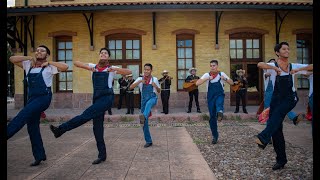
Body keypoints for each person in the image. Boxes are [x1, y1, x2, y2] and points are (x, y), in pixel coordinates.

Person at [49, 47, 131, 164]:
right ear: (99, 55)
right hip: (96, 98)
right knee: (97, 127)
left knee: (85, 115)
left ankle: (61, 129)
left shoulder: (111, 68)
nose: (103, 54)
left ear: (108, 57)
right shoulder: (94, 66)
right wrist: (88, 67)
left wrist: (114, 69)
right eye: (101, 53)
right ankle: (102, 155)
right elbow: (76, 63)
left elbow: (129, 72)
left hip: (107, 98)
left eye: (105, 53)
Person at [255, 42, 313, 170]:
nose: (287, 50)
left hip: (290, 98)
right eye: (284, 49)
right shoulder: (272, 65)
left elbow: (312, 66)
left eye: (288, 48)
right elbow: (259, 64)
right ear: (277, 52)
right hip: (276, 100)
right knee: (276, 130)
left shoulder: (293, 65)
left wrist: (298, 70)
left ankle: (264, 136)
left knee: (275, 118)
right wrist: (275, 69)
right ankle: (281, 160)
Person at [7, 45, 68, 166]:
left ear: (47, 54)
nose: (39, 52)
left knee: (22, 115)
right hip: (32, 99)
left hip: (44, 97)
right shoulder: (28, 65)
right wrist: (29, 57)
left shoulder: (50, 67)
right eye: (37, 50)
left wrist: (48, 62)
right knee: (32, 127)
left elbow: (65, 67)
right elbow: (12, 59)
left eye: (42, 50)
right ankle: (39, 156)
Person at [196, 60, 234, 144]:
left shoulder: (221, 74)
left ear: (217, 66)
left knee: (219, 103)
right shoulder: (207, 75)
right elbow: (197, 83)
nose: (212, 67)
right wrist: (207, 78)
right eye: (211, 66)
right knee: (212, 118)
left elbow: (232, 83)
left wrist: (225, 79)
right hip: (210, 98)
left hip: (220, 94)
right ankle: (215, 136)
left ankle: (220, 112)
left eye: (214, 65)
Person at [264, 58, 303, 125]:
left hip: (278, 92)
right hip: (269, 93)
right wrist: (268, 74)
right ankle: (271, 124)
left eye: (274, 63)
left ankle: (294, 118)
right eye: (271, 64)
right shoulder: (266, 72)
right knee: (269, 108)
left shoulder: (280, 71)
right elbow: (266, 75)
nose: (273, 65)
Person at [129, 63, 160, 148]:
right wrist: (139, 82)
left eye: (148, 69)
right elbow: (131, 87)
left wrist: (156, 86)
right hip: (143, 101)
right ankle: (148, 141)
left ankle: (144, 116)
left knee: (149, 104)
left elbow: (159, 91)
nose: (146, 71)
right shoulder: (140, 78)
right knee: (144, 124)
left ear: (151, 70)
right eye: (145, 69)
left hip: (153, 98)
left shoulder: (155, 79)